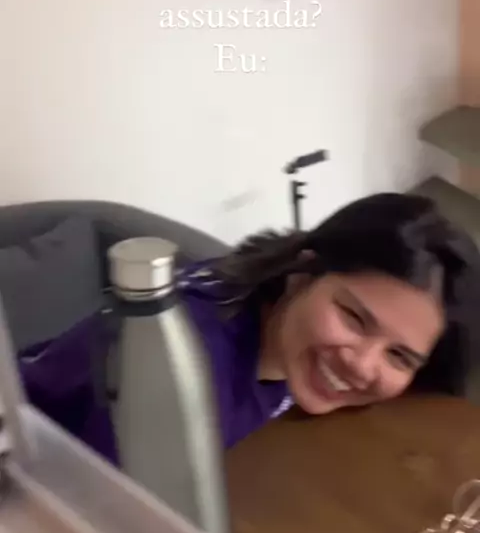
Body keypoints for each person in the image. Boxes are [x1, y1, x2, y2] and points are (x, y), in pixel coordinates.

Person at [177, 192, 480, 449]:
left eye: (399, 356)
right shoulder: (191, 379)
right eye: (354, 318)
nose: (361, 365)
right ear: (302, 274)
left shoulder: (280, 319)